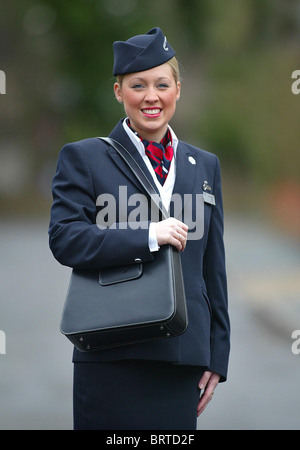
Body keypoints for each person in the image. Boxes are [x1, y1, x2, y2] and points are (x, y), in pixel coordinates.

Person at [49, 27, 230, 430]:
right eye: (138, 85)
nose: (152, 96)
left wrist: (217, 357)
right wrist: (150, 235)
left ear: (177, 90)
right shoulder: (85, 158)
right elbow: (65, 239)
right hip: (112, 352)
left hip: (183, 357)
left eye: (162, 84)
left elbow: (212, 268)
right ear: (119, 92)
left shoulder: (205, 166)